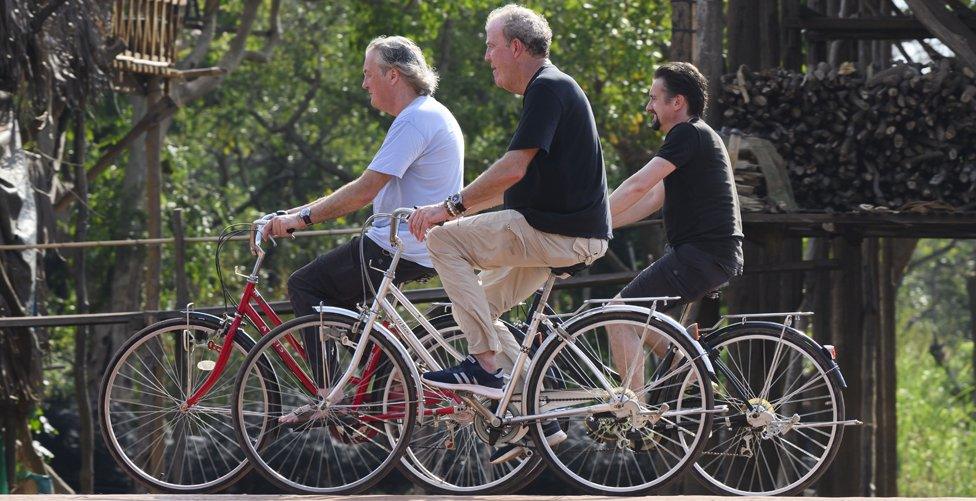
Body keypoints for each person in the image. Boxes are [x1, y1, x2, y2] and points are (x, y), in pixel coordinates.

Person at [408, 4, 610, 462]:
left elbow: (512, 169)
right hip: (562, 235)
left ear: (516, 48)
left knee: (445, 239)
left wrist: (447, 208)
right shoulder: (551, 90)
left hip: (557, 235)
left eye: (490, 46)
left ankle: (483, 367)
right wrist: (463, 206)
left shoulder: (548, 88)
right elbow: (512, 184)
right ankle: (532, 414)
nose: (486, 57)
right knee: (483, 305)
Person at [262, 36, 464, 407]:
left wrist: (300, 219)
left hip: (396, 245)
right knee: (348, 317)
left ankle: (330, 397)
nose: (363, 83)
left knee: (306, 285)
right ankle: (366, 394)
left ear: (393, 75)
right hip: (413, 244)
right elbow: (362, 187)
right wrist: (291, 216)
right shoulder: (427, 113)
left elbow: (363, 191)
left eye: (368, 73)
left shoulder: (415, 120)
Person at [607, 61, 744, 390]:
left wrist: (588, 218)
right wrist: (604, 226)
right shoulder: (695, 138)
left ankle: (633, 414)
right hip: (707, 256)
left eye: (654, 98)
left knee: (618, 313)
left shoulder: (687, 133)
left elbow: (638, 185)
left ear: (677, 102)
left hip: (701, 255)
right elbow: (652, 197)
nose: (648, 107)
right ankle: (692, 369)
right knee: (641, 316)